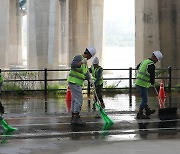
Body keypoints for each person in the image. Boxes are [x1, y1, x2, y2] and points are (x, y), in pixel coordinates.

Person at [67, 46, 96, 125]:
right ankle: (76, 117)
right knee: (79, 99)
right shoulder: (78, 57)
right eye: (90, 56)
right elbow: (73, 65)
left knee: (75, 100)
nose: (90, 58)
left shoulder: (85, 63)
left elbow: (86, 73)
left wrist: (90, 80)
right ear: (88, 53)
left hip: (76, 82)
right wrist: (81, 62)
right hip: (74, 81)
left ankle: (74, 117)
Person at [135, 51, 163, 119]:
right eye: (157, 60)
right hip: (143, 84)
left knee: (143, 98)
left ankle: (147, 110)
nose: (156, 61)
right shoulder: (151, 65)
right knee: (145, 99)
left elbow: (137, 67)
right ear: (155, 58)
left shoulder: (144, 61)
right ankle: (140, 113)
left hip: (138, 82)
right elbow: (152, 75)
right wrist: (152, 82)